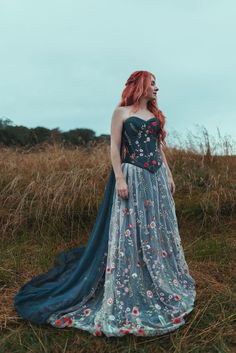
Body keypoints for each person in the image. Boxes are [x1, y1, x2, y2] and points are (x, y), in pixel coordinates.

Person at [14, 70, 196, 337]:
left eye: (157, 84)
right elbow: (114, 148)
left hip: (155, 178)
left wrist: (168, 174)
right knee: (131, 230)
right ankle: (131, 279)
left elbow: (158, 148)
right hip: (133, 175)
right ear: (141, 85)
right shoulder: (121, 113)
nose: (157, 88)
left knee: (156, 227)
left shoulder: (155, 115)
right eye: (153, 84)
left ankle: (157, 275)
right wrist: (120, 179)